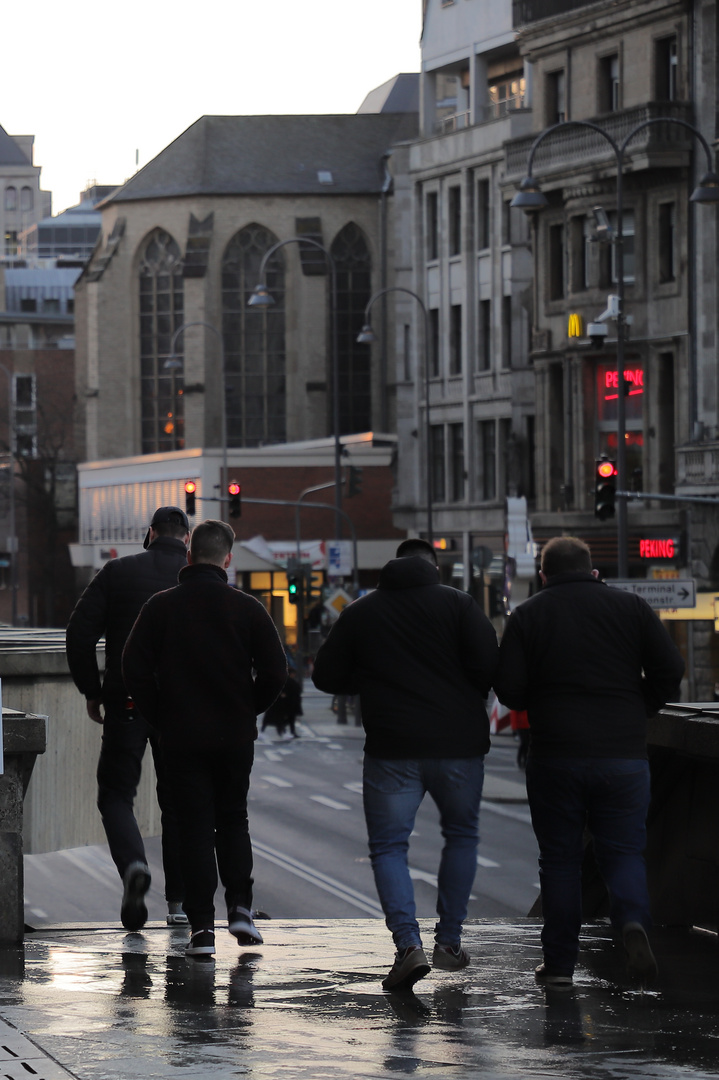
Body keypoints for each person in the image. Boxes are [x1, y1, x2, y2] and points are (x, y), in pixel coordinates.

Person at [494, 536, 685, 987]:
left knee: (559, 861)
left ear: (543, 575)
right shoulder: (632, 608)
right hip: (622, 756)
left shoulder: (527, 616)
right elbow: (670, 668)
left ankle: (559, 965)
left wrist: (543, 699)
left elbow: (511, 691)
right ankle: (633, 923)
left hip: (556, 756)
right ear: (592, 569)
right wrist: (639, 706)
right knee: (622, 851)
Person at [312, 538, 499, 992]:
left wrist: (372, 677)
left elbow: (325, 676)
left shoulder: (361, 611)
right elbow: (489, 668)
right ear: (432, 567)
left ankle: (407, 946)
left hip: (391, 747)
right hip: (458, 745)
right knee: (461, 836)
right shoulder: (460, 605)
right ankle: (450, 943)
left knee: (390, 847)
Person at [122, 519, 287, 959]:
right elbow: (276, 670)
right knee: (233, 818)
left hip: (180, 735)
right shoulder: (247, 609)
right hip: (233, 735)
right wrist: (247, 707)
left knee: (194, 826)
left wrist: (160, 715)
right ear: (227, 560)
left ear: (189, 556)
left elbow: (133, 667)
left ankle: (200, 930)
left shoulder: (160, 608)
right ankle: (240, 909)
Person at [66, 506, 191, 931]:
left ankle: (135, 865)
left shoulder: (117, 572)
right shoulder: (196, 576)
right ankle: (178, 905)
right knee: (177, 803)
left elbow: (79, 633)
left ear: (150, 533)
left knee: (116, 794)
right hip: (181, 707)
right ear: (186, 539)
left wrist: (92, 690)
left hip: (129, 700)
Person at [261, 669, 303, 738]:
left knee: (283, 719)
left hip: (283, 704)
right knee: (286, 719)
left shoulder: (283, 681)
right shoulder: (289, 682)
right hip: (287, 704)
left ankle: (284, 731)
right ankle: (285, 731)